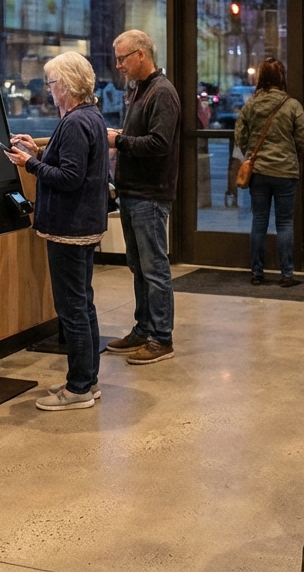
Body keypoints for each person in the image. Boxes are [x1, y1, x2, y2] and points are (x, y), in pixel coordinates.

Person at [6, 52, 110, 410]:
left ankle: (79, 387)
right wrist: (37, 147)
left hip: (70, 228)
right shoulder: (89, 116)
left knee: (73, 309)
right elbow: (71, 158)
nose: (49, 90)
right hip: (84, 225)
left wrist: (30, 164)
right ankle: (87, 378)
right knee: (83, 304)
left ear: (65, 85)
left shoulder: (76, 122)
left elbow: (70, 177)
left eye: (51, 83)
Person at [105, 30, 181, 366]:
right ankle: (143, 328)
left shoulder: (162, 92)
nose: (118, 65)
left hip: (150, 195)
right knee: (138, 267)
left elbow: (158, 144)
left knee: (154, 269)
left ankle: (161, 338)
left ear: (141, 55)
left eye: (122, 58)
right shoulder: (139, 90)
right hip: (134, 192)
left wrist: (118, 142)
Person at [232, 57, 304, 287]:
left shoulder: (251, 105)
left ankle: (257, 273)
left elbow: (239, 136)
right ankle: (286, 274)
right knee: (285, 223)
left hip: (258, 171)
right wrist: (289, 149)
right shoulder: (291, 105)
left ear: (261, 78)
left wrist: (251, 150)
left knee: (259, 221)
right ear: (282, 78)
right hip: (286, 172)